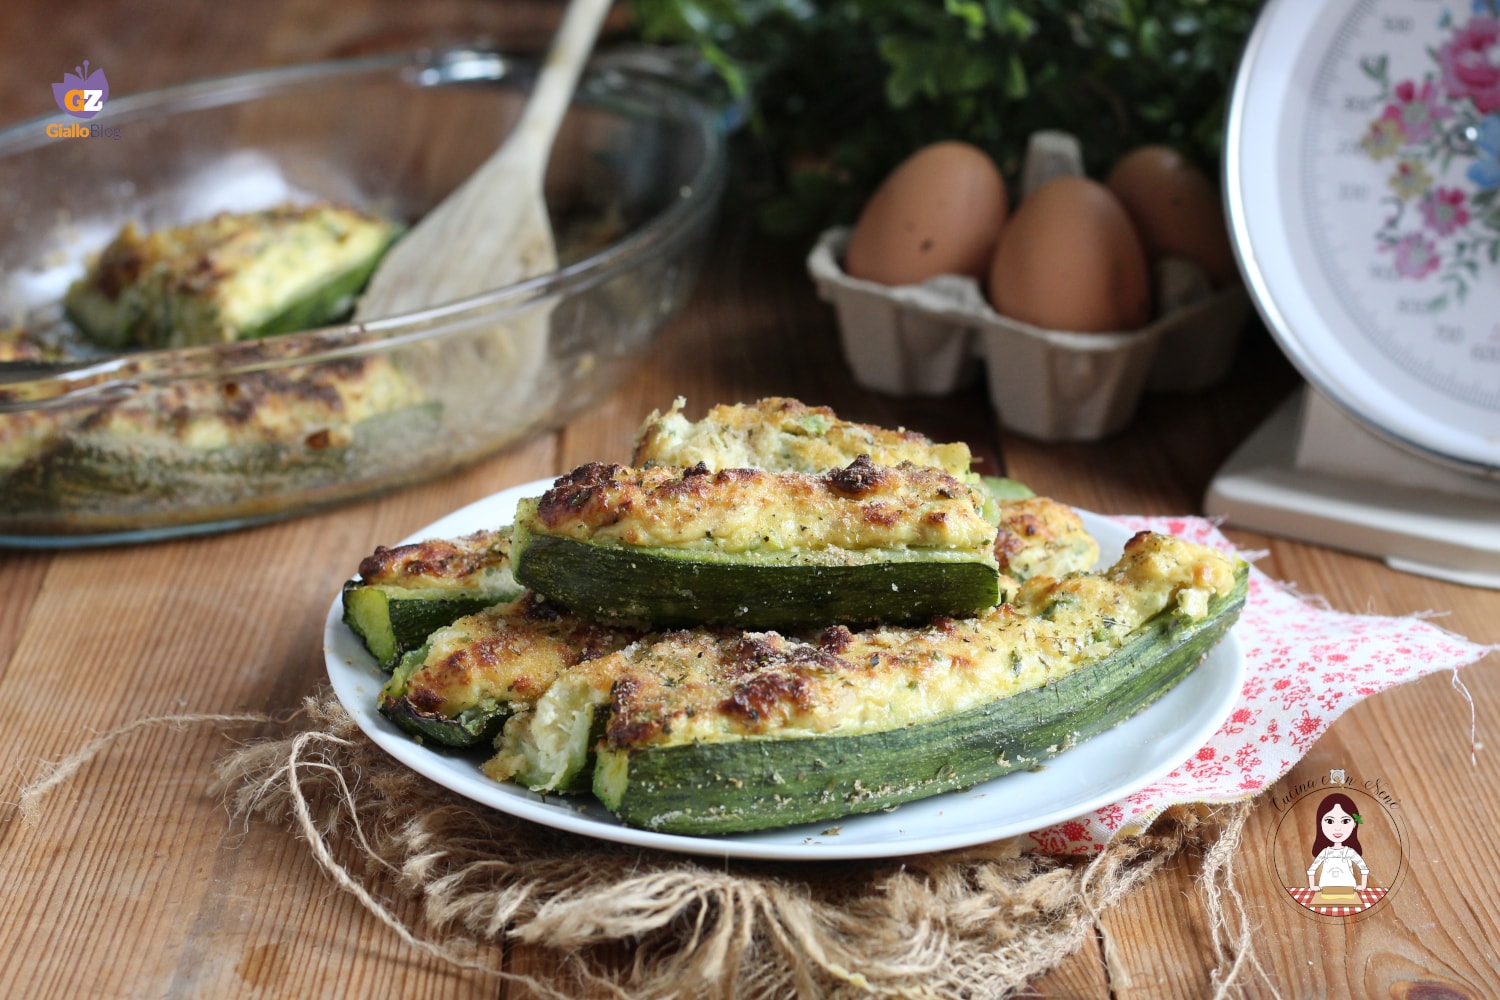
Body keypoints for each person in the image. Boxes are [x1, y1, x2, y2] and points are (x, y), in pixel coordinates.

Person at [1306, 792, 1370, 899]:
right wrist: (1313, 886)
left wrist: (1363, 885)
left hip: (1348, 891)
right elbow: (1312, 869)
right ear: (1320, 823)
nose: (1337, 828)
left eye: (1345, 821)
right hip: (1326, 891)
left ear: (1354, 824)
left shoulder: (1349, 852)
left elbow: (1363, 867)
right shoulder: (1325, 852)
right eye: (1329, 821)